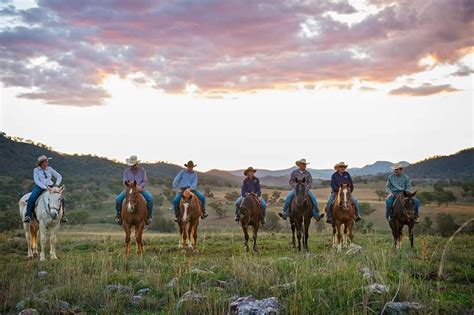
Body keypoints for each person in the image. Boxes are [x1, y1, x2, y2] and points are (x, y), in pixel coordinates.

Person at [24, 155, 68, 223]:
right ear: (41, 163)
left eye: (47, 161)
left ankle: (62, 216)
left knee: (61, 198)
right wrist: (45, 188)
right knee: (32, 197)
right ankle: (28, 215)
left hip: (51, 186)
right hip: (40, 187)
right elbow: (37, 181)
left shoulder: (50, 169)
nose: (47, 162)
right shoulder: (36, 170)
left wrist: (56, 185)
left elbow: (59, 176)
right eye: (46, 161)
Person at [115, 155, 154, 225]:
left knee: (150, 199)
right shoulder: (126, 171)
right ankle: (118, 215)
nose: (132, 166)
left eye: (133, 165)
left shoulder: (142, 170)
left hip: (139, 189)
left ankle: (148, 216)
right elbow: (125, 181)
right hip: (129, 189)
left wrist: (140, 186)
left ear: (136, 164)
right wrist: (129, 185)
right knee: (118, 199)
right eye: (131, 165)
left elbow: (145, 180)